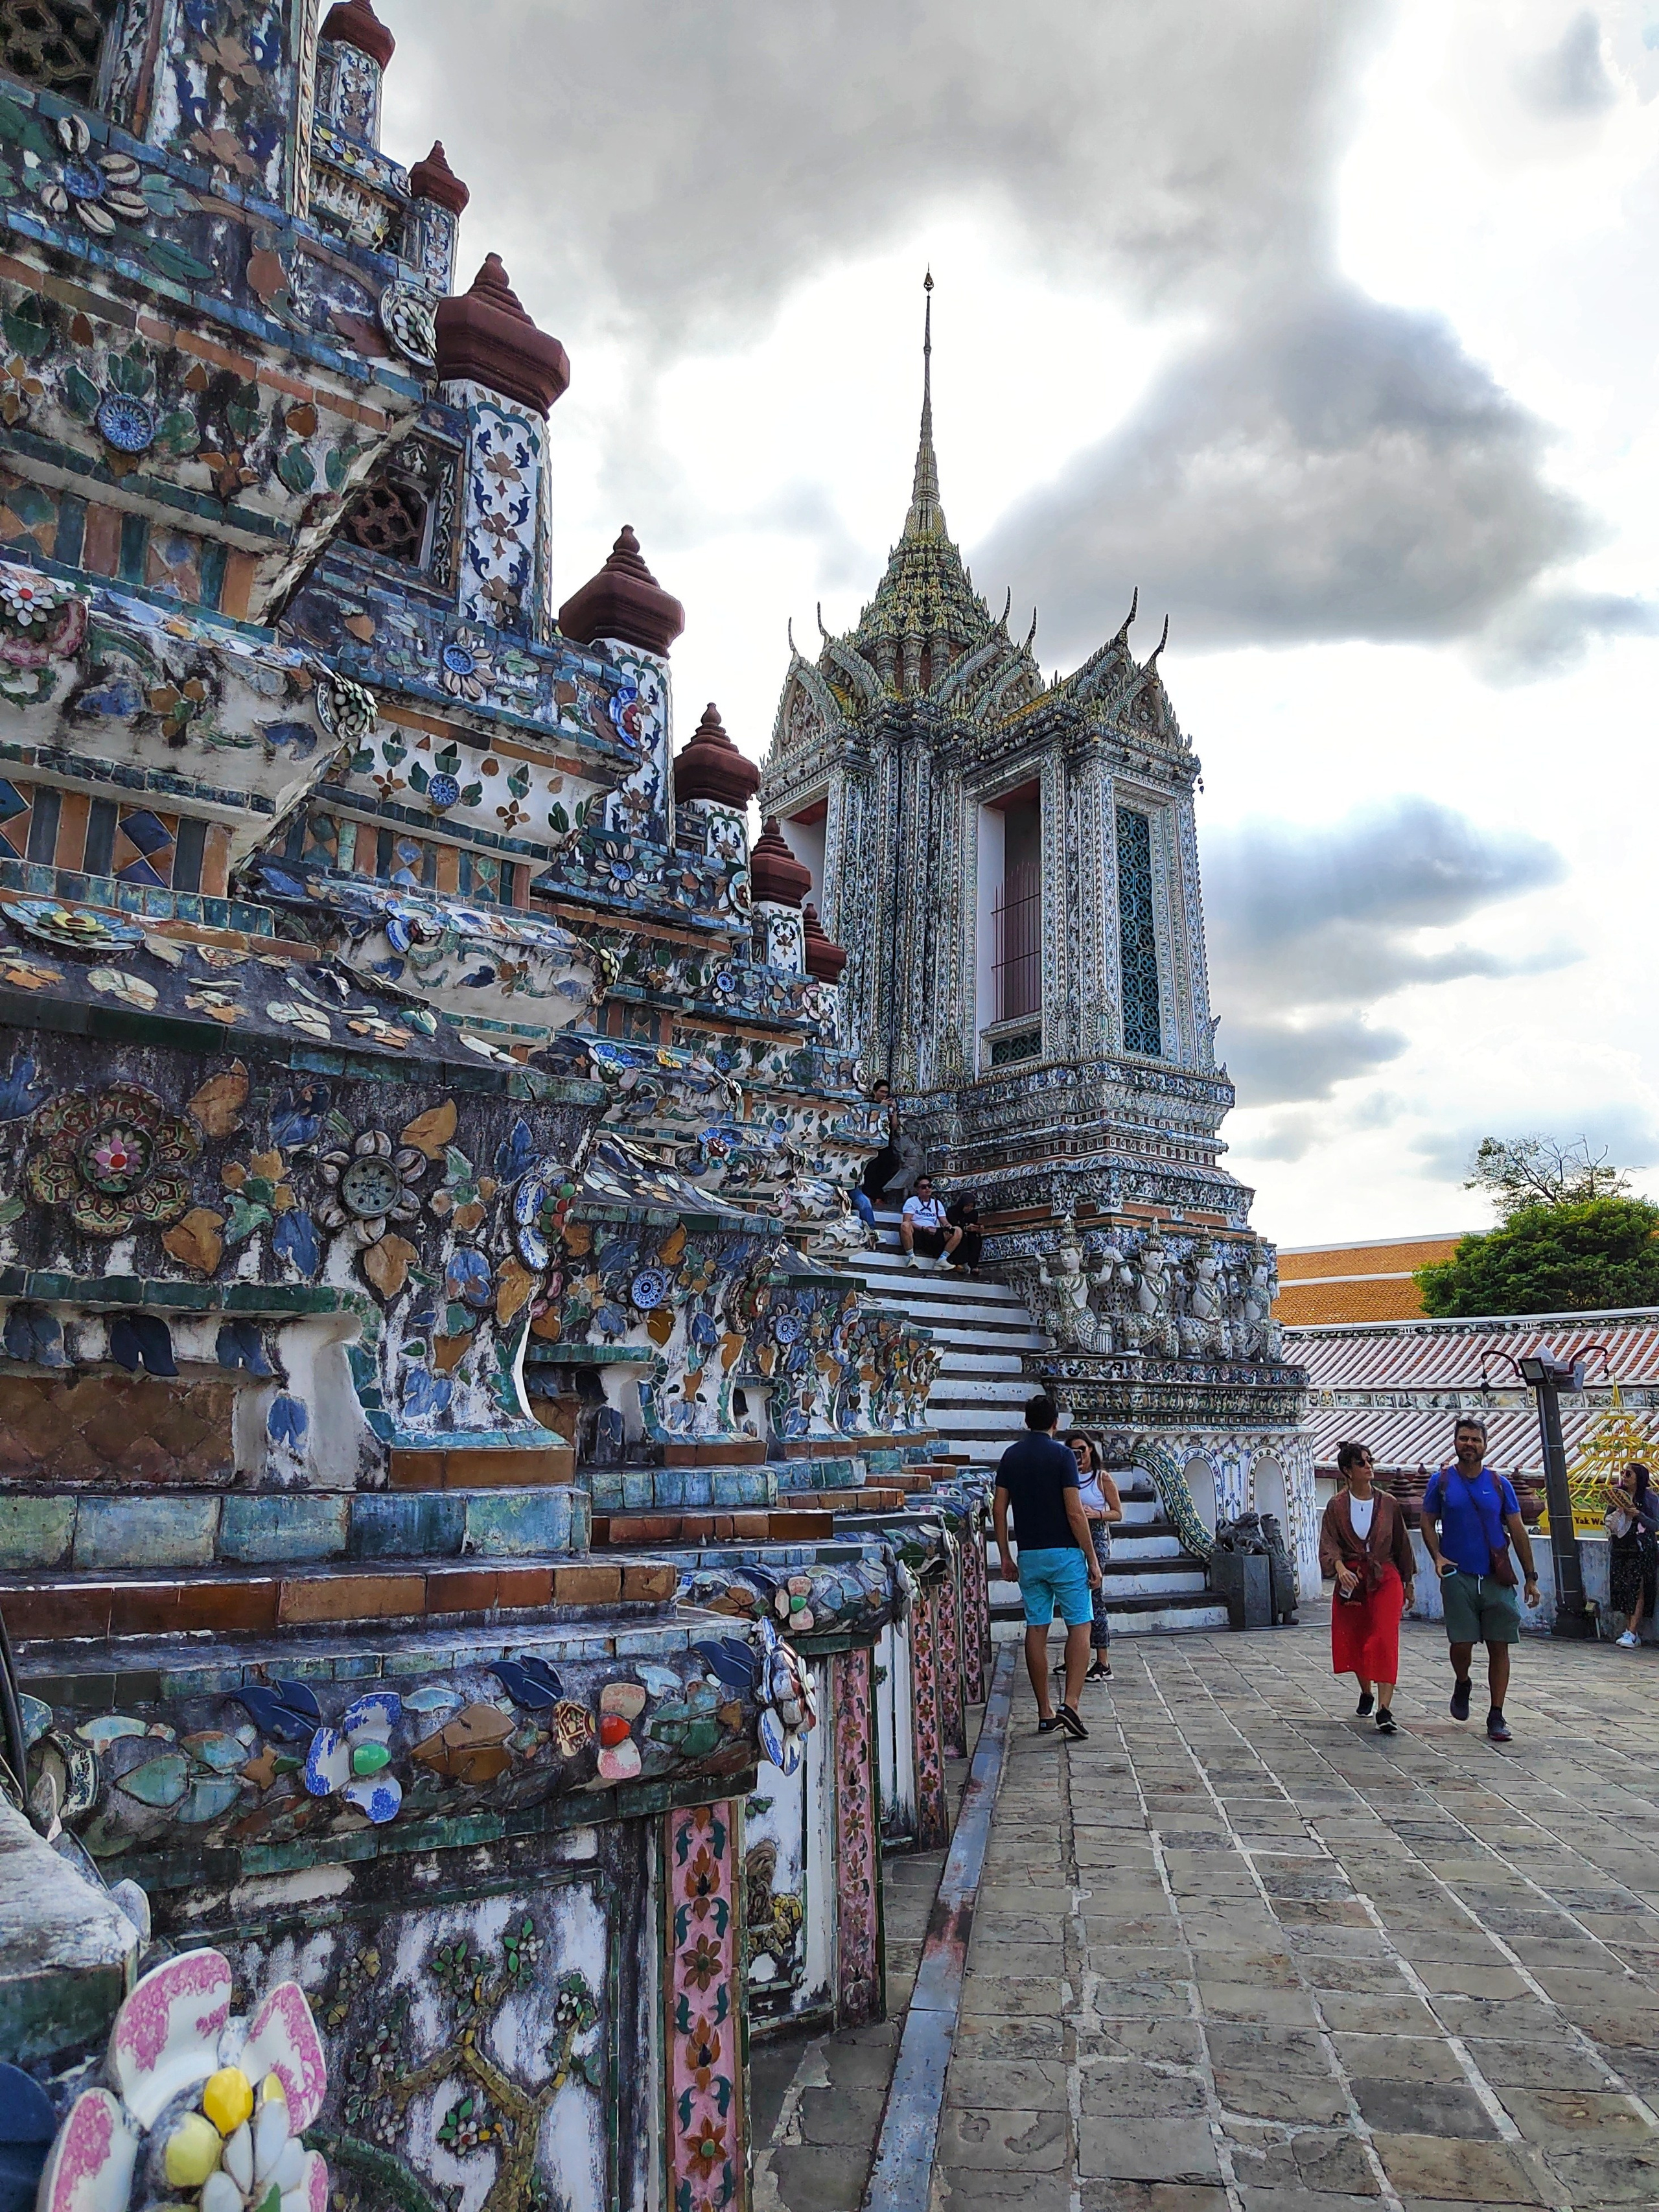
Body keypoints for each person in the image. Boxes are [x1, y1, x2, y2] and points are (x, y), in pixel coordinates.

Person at [1420, 1415, 1540, 1743]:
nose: (1469, 1444)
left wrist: (1530, 1577)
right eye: (1464, 1439)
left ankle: (1496, 1714)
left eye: (1475, 1439)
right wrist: (1437, 1557)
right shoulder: (1442, 1482)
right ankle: (1462, 1681)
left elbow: (1517, 1530)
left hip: (1495, 1576)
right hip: (1458, 1574)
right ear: (1455, 1442)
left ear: (1485, 1445)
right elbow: (1427, 1521)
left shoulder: (1500, 1485)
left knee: (1499, 1645)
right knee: (1461, 1643)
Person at [993, 1394, 1103, 1738]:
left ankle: (1044, 1711)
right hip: (1065, 1553)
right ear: (1055, 1422)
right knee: (1080, 1626)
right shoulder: (1062, 1455)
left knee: (1036, 1628)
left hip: (1030, 1554)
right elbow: (1074, 1511)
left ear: (1026, 1422)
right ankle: (1070, 1703)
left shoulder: (1012, 1456)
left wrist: (1005, 1556)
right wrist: (1092, 1558)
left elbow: (999, 1510)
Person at [1318, 1441, 1415, 1734]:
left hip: (1385, 1575)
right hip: (1353, 1577)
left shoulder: (1388, 1503)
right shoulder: (1336, 1506)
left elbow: (1401, 1544)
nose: (1369, 1466)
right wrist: (1339, 1568)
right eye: (1362, 1463)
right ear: (1348, 1471)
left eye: (1370, 1460)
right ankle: (1367, 1692)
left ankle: (1385, 1709)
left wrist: (1408, 1581)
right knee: (1359, 1637)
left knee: (1385, 1637)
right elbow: (1329, 1543)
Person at [1065, 1431, 1122, 1682]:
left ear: (1091, 1450)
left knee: (1094, 1596)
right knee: (1074, 1598)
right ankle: (1078, 1657)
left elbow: (1118, 1513)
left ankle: (1103, 1660)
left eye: (1082, 1450)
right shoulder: (1067, 1477)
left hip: (1096, 1536)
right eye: (1073, 1452)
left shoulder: (1102, 1478)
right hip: (1071, 1538)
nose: (1079, 1456)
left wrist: (1096, 1514)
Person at [1605, 1460, 1658, 1649]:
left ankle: (1633, 1631)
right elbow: (1607, 1518)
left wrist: (1638, 1515)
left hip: (1642, 1547)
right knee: (1623, 1589)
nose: (1624, 1477)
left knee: (1639, 1588)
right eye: (1624, 1473)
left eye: (1629, 1474)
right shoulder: (1617, 1494)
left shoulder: (1650, 1499)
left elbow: (1656, 1524)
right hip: (1621, 1545)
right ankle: (1629, 1630)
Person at [899, 1176, 962, 1270]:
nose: (927, 1189)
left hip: (933, 1234)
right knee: (905, 1226)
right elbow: (907, 1221)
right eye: (924, 1187)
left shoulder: (937, 1203)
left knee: (958, 1230)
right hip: (918, 1232)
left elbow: (944, 1221)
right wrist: (923, 1228)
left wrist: (947, 1226)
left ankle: (942, 1259)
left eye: (929, 1186)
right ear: (918, 1190)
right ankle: (911, 1258)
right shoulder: (912, 1202)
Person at [946, 1191, 984, 1276]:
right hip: (956, 1232)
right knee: (960, 1235)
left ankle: (973, 1265)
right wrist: (965, 1228)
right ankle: (957, 1262)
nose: (969, 1209)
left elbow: (974, 1223)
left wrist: (978, 1228)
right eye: (967, 1206)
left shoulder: (973, 1214)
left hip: (969, 1233)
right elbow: (952, 1224)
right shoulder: (953, 1211)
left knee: (976, 1238)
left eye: (971, 1207)